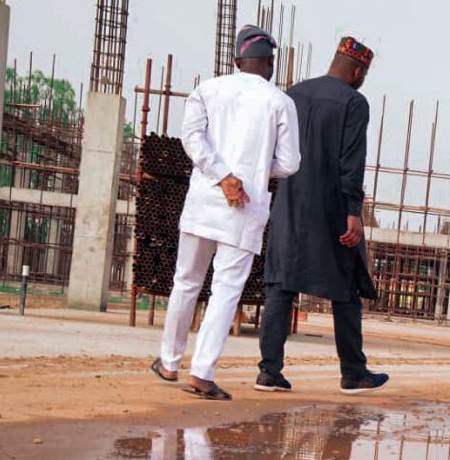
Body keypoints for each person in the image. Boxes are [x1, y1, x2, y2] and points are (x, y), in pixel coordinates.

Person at [149, 25, 301, 401]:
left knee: (186, 281)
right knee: (225, 290)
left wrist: (221, 176)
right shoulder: (280, 102)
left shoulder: (207, 90)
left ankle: (169, 362)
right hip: (244, 208)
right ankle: (201, 373)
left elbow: (191, 139)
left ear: (235, 61)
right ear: (269, 62)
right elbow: (290, 163)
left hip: (204, 200)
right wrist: (248, 175)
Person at [256, 37, 389, 395]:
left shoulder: (292, 94)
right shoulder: (354, 102)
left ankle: (269, 372)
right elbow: (351, 161)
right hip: (330, 209)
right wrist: (352, 211)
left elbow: (270, 150)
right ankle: (353, 373)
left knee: (280, 286)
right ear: (358, 70)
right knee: (346, 287)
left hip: (288, 205)